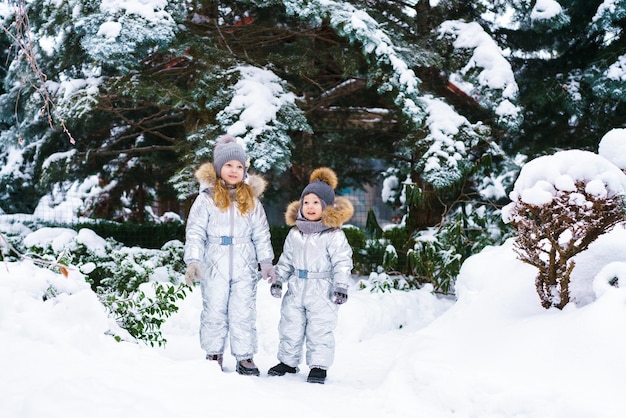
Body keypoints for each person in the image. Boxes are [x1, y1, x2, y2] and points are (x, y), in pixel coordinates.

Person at [184, 135, 276, 376]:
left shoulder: (252, 200)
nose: (234, 170)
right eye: (228, 165)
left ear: (244, 170)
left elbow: (261, 233)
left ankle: (245, 355)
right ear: (218, 168)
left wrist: (265, 262)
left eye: (239, 166)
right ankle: (214, 352)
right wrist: (193, 260)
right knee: (214, 308)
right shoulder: (205, 199)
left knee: (243, 309)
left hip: (244, 262)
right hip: (215, 260)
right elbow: (195, 231)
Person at [267, 167, 354, 384]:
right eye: (306, 202)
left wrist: (340, 286)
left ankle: (318, 366)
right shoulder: (294, 233)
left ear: (326, 207)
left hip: (322, 289)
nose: (310, 207)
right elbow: (286, 259)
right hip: (297, 288)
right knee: (290, 325)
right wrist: (278, 279)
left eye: (316, 202)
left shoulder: (333, 234)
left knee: (320, 328)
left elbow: (342, 262)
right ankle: (288, 361)